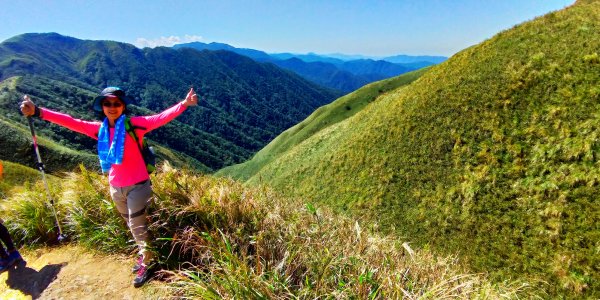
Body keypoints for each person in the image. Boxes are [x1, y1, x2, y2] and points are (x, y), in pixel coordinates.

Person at [20, 86, 198, 287]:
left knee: (137, 226)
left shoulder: (134, 125)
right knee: (132, 225)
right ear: (102, 106)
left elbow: (159, 117)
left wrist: (184, 104)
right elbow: (70, 122)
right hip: (115, 186)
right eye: (107, 103)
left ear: (123, 106)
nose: (112, 107)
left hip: (138, 185)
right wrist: (38, 112)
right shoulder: (100, 130)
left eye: (117, 103)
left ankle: (148, 262)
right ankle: (145, 253)